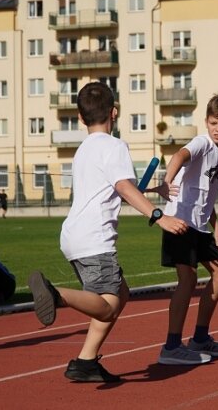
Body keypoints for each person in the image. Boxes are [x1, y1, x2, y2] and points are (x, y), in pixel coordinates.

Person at [28, 82, 188, 383]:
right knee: (107, 306)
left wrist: (153, 189)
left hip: (74, 235)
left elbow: (115, 189)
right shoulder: (115, 146)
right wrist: (158, 215)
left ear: (79, 117)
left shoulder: (83, 150)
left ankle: (86, 362)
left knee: (120, 293)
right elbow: (122, 187)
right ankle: (56, 294)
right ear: (114, 112)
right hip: (94, 238)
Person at [155, 94, 218, 365]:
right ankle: (171, 346)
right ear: (206, 122)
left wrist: (217, 227)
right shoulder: (202, 143)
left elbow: (207, 195)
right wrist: (166, 181)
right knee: (188, 280)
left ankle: (201, 338)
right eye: (214, 122)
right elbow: (180, 155)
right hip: (179, 221)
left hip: (199, 226)